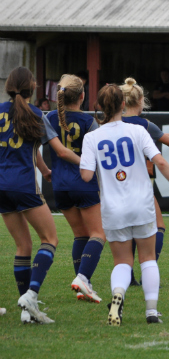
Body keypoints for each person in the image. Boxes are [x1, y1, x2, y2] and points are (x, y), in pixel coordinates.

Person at [80, 84, 169, 326]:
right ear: (123, 105)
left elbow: (86, 175)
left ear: (98, 106)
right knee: (148, 259)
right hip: (141, 204)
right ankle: (151, 312)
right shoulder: (137, 131)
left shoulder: (91, 137)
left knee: (122, 262)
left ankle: (118, 294)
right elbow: (160, 162)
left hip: (113, 208)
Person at [1, 67, 80, 324]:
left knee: (23, 245)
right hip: (23, 185)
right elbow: (61, 151)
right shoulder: (36, 114)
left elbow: (26, 146)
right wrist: (91, 164)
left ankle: (27, 311)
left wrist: (44, 169)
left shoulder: (1, 110)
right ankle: (32, 295)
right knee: (50, 238)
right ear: (32, 87)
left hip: (2, 186)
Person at [120, 78, 169, 285]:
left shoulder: (113, 124)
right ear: (141, 101)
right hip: (140, 184)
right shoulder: (145, 125)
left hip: (116, 186)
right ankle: (147, 272)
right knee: (158, 226)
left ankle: (129, 277)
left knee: (127, 232)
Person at [46, 75, 105, 303]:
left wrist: (44, 170)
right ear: (82, 96)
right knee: (99, 234)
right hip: (84, 183)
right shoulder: (89, 122)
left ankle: (82, 285)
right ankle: (83, 278)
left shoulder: (49, 118)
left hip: (59, 185)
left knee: (80, 234)